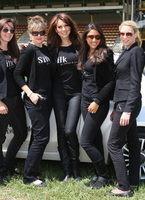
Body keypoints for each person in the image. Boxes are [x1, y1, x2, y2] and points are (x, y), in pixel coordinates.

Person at [0, 18, 27, 184]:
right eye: (5, 30)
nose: (9, 33)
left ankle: (8, 165)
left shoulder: (15, 50)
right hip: (1, 101)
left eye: (12, 30)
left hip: (16, 99)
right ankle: (0, 170)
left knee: (21, 133)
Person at [14, 15, 53, 187]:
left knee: (38, 136)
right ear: (30, 33)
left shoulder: (45, 49)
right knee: (42, 137)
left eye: (41, 32)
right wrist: (30, 93)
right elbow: (17, 74)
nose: (39, 35)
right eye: (35, 33)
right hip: (35, 99)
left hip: (47, 98)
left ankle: (31, 170)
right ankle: (29, 176)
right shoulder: (28, 50)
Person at [107, 20, 144, 197]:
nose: (125, 37)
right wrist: (116, 107)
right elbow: (121, 82)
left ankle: (124, 187)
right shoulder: (127, 51)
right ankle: (133, 181)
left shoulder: (136, 51)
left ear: (136, 35)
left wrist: (127, 110)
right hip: (124, 102)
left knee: (113, 144)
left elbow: (135, 83)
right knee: (133, 143)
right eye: (122, 34)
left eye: (129, 34)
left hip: (129, 102)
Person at [77, 23, 116, 189]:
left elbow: (111, 82)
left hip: (97, 102)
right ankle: (97, 175)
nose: (94, 40)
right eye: (91, 36)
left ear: (102, 37)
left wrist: (97, 101)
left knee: (85, 141)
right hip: (84, 100)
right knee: (95, 139)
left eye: (97, 37)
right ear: (86, 38)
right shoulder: (85, 52)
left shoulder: (106, 53)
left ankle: (105, 175)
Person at [47, 13, 82, 182]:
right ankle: (67, 171)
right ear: (55, 29)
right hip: (58, 94)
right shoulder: (52, 49)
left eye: (65, 25)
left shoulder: (80, 45)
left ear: (70, 26)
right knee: (62, 132)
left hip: (76, 93)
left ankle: (77, 170)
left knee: (70, 130)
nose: (63, 29)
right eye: (59, 27)